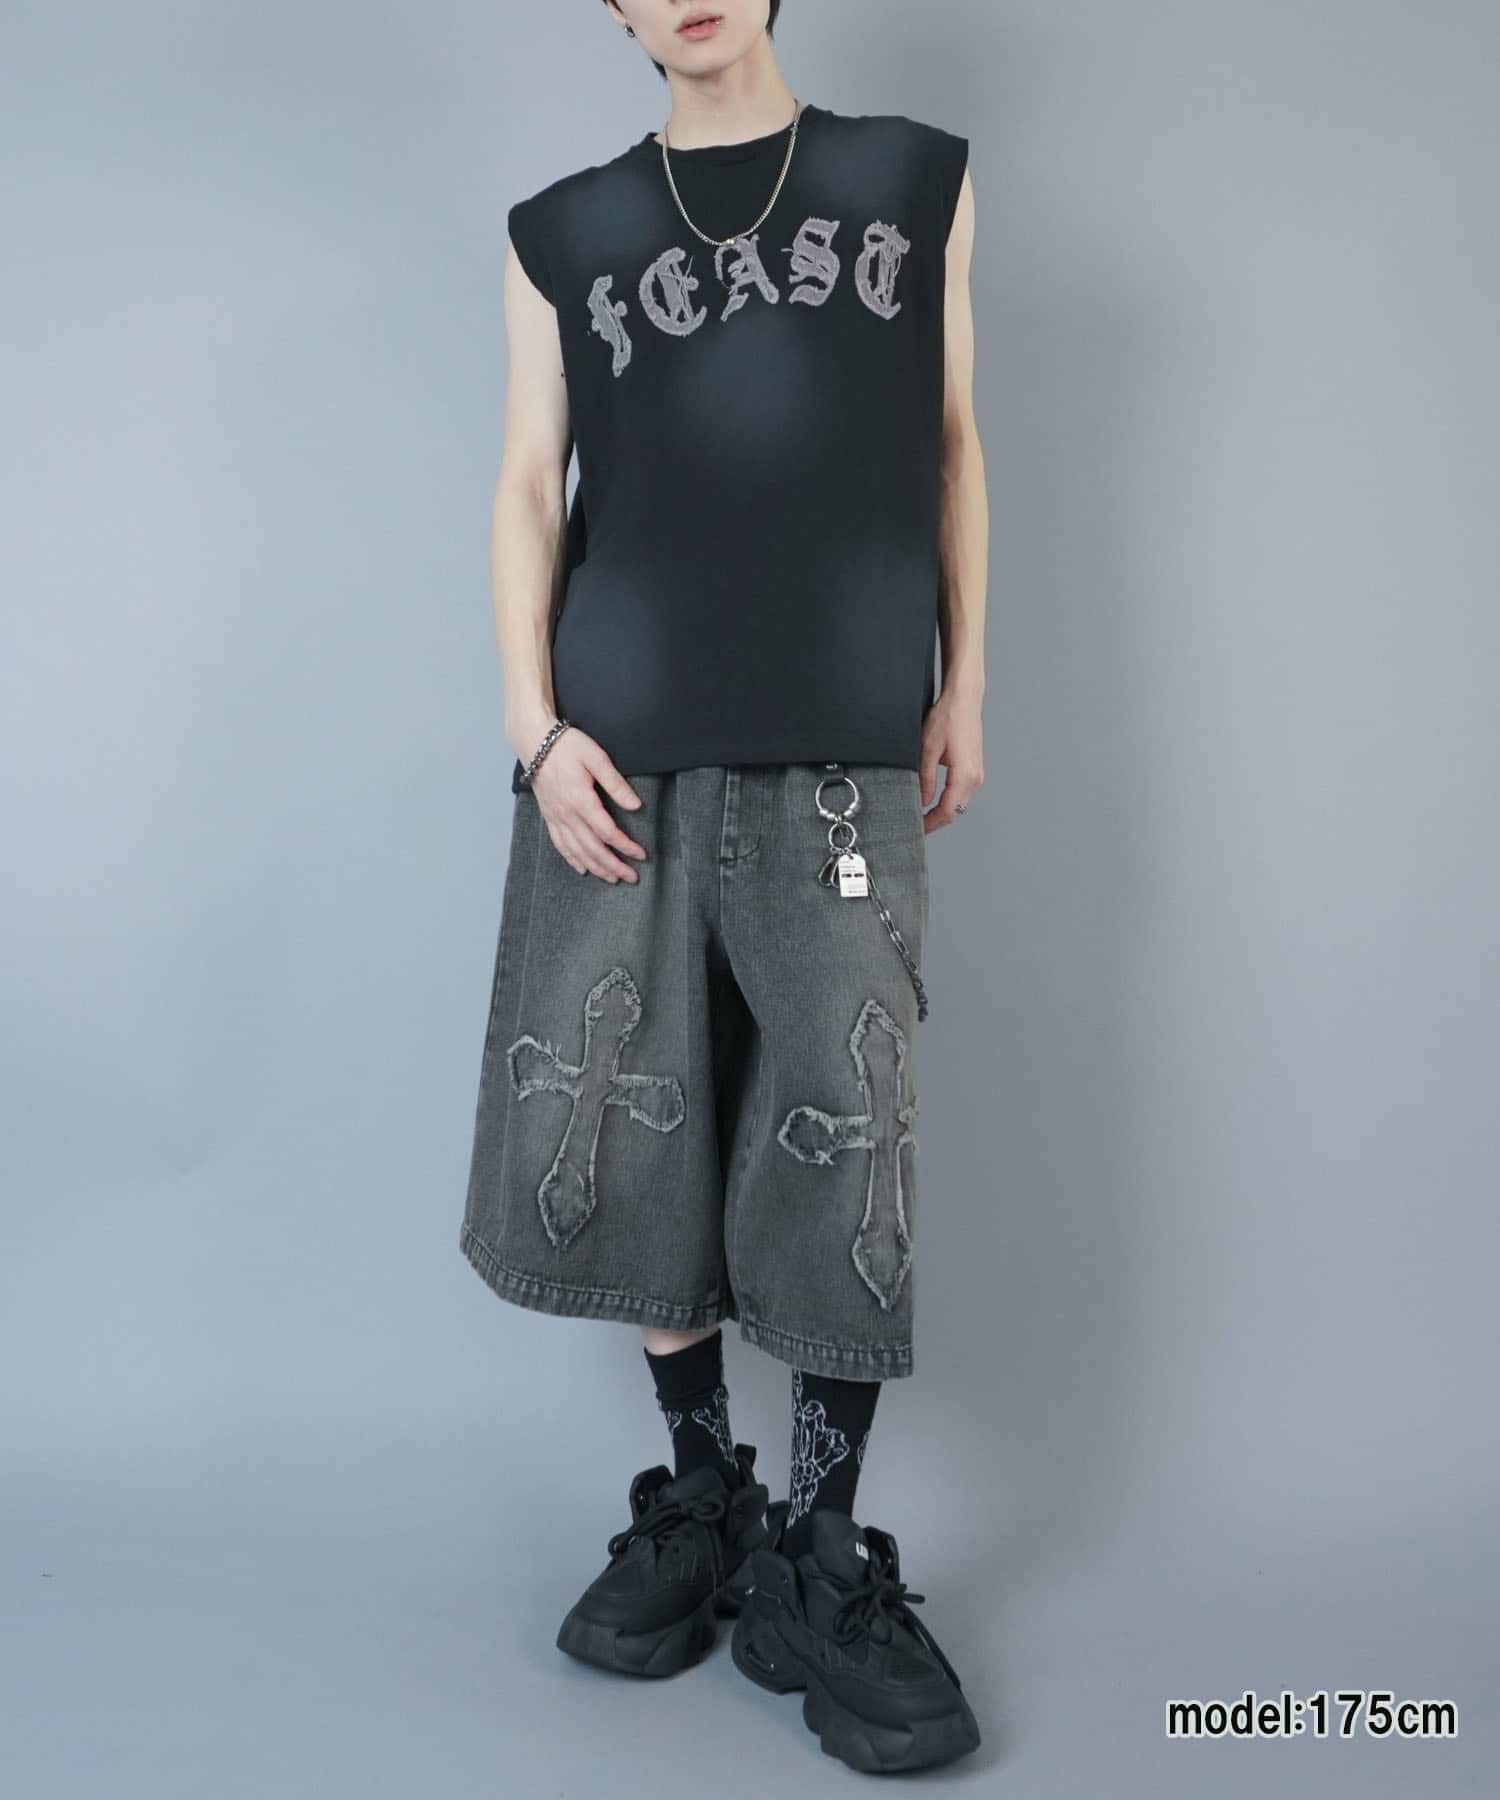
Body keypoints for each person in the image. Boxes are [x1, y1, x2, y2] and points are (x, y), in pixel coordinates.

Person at [459, 0, 988, 1773]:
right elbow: (528, 483)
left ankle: (823, 1551)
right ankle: (706, 1494)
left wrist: (965, 681)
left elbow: (952, 442)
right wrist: (534, 728)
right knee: (634, 1119)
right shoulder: (565, 231)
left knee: (853, 1127)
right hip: (620, 756)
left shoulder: (908, 183)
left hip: (840, 751)